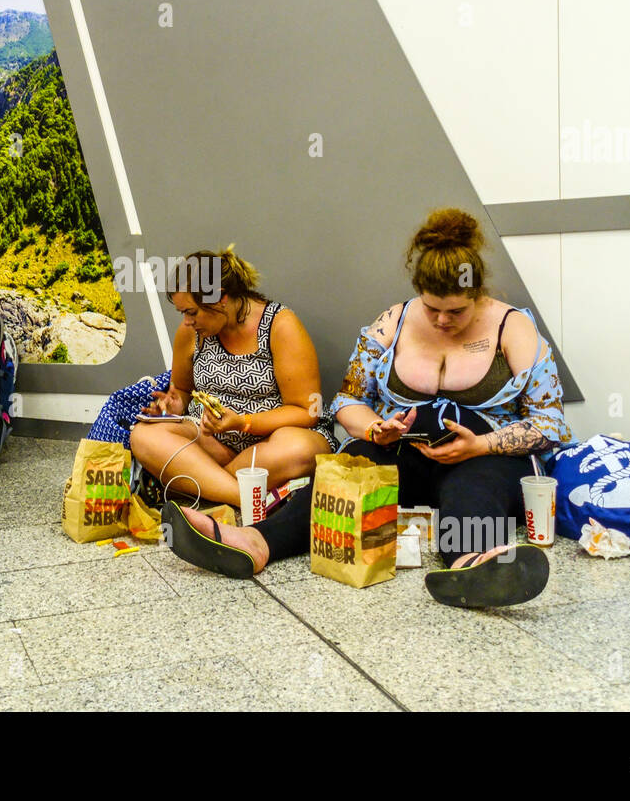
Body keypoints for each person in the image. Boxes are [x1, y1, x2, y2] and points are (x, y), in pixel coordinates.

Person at [164, 209, 572, 608]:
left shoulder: (513, 328)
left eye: (456, 311)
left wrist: (480, 445)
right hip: (405, 452)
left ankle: (473, 565)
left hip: (485, 456)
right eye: (432, 309)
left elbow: (551, 423)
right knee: (349, 469)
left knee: (471, 489)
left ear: (476, 294)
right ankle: (255, 541)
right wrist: (376, 428)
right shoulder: (392, 322)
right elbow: (348, 400)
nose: (442, 321)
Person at [129, 247, 335, 508]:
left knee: (301, 451)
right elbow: (182, 389)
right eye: (183, 313)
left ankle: (199, 485)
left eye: (192, 312)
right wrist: (174, 404)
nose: (187, 321)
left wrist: (242, 422)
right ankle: (246, 498)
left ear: (220, 298)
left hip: (269, 444)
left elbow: (307, 411)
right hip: (212, 442)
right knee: (143, 436)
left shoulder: (280, 325)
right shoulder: (190, 332)